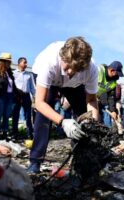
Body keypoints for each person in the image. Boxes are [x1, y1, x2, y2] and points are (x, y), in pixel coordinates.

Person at [28, 36, 99, 174]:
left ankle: (85, 157)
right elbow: (39, 103)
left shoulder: (91, 70)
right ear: (63, 57)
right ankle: (35, 160)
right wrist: (62, 121)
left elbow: (91, 100)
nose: (71, 72)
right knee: (43, 117)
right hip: (51, 79)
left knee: (85, 115)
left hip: (74, 85)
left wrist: (93, 124)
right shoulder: (48, 62)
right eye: (68, 66)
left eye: (76, 68)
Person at [12, 57, 35, 140]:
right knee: (15, 115)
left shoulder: (29, 74)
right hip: (16, 96)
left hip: (26, 96)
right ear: (19, 63)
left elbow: (32, 87)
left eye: (26, 62)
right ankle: (15, 134)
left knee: (28, 116)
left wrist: (34, 97)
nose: (26, 64)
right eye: (24, 62)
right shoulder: (13, 73)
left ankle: (30, 134)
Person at [97, 61, 124, 127]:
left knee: (105, 114)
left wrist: (113, 111)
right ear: (112, 70)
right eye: (117, 73)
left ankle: (108, 131)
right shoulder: (99, 71)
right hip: (87, 96)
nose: (118, 76)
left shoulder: (113, 82)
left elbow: (111, 96)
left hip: (100, 98)